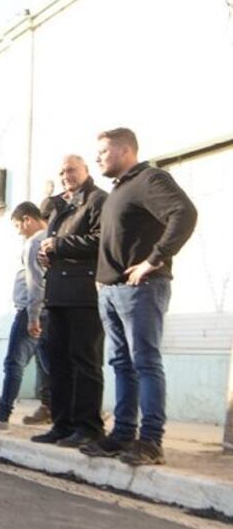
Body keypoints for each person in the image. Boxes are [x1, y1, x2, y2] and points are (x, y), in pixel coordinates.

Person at [80, 128, 197, 466]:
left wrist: (152, 260)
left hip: (141, 289)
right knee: (121, 364)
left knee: (145, 361)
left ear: (126, 150)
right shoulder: (119, 189)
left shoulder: (149, 179)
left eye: (103, 150)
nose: (98, 157)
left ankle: (150, 441)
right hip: (112, 291)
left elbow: (184, 214)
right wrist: (103, 280)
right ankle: (122, 435)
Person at [31, 155, 109, 447]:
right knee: (59, 363)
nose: (66, 176)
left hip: (85, 293)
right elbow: (53, 244)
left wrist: (60, 245)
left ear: (86, 171)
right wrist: (46, 253)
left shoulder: (98, 200)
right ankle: (61, 425)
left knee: (85, 362)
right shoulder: (60, 205)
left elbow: (103, 239)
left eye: (72, 170)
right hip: (58, 293)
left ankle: (88, 427)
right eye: (62, 171)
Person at [0, 201, 49, 432]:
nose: (18, 232)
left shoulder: (34, 242)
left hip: (31, 311)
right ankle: (74, 410)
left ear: (27, 220)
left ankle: (2, 416)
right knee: (49, 365)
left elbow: (36, 283)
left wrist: (32, 316)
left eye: (17, 225)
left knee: (14, 362)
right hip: (50, 311)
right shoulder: (51, 239)